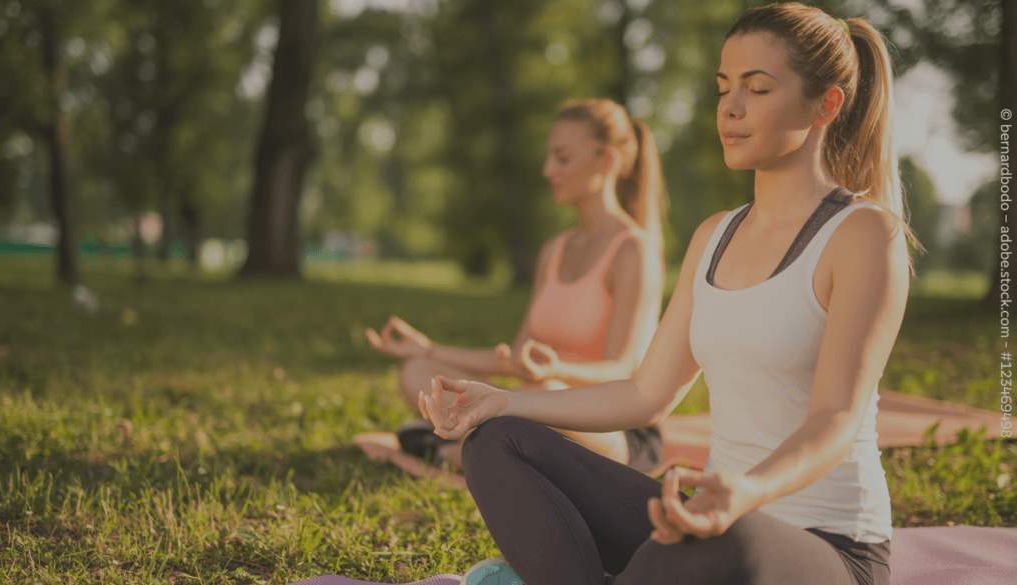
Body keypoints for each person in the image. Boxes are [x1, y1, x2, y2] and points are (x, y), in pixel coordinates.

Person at [417, 3, 923, 584]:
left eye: (757, 89)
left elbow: (835, 417)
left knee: (709, 545)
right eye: (723, 87)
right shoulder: (714, 235)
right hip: (708, 520)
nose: (730, 108)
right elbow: (645, 393)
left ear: (825, 105)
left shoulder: (863, 235)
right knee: (496, 442)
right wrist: (506, 402)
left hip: (826, 549)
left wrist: (743, 492)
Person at [366, 98, 671, 474]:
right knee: (419, 372)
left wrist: (556, 369)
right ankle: (473, 441)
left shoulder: (634, 252)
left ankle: (446, 452)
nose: (547, 170)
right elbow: (515, 359)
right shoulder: (553, 252)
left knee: (547, 394)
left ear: (606, 161)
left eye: (562, 158)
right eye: (549, 157)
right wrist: (429, 349)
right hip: (539, 404)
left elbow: (627, 371)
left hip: (616, 429)